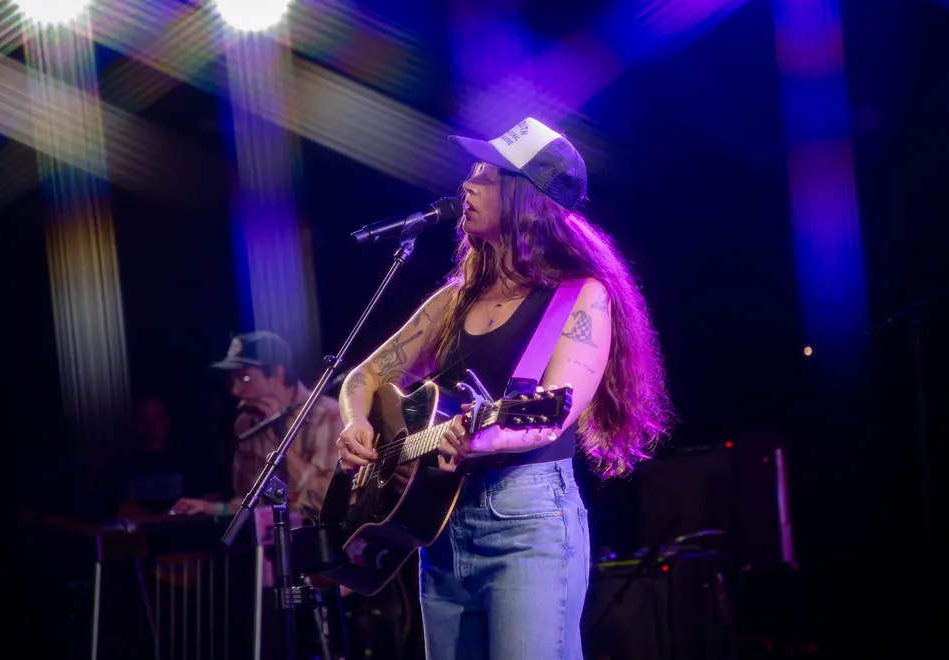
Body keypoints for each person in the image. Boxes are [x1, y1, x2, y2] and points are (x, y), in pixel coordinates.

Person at [336, 117, 673, 659]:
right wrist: (355, 422)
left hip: (526, 522)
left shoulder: (581, 298)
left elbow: (553, 412)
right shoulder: (454, 300)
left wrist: (477, 440)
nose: (465, 185)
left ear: (525, 197)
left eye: (485, 176)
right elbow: (367, 375)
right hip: (438, 527)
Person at [171, 331, 342, 520]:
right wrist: (213, 509)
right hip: (268, 541)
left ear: (278, 373)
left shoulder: (327, 414)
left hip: (319, 539)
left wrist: (281, 439)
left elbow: (325, 500)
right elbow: (252, 503)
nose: (235, 391)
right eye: (232, 380)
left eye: (245, 378)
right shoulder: (246, 423)